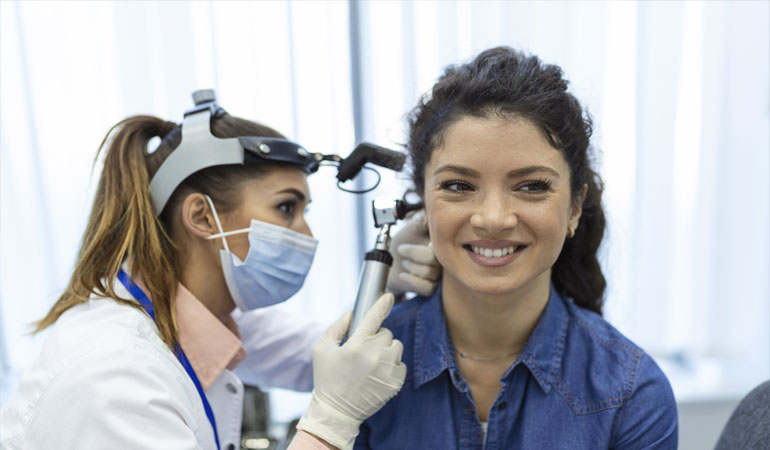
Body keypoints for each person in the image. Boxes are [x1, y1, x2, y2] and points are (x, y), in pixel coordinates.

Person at [0, 91, 438, 450]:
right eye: (286, 208)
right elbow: (338, 388)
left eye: (304, 210)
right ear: (202, 217)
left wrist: (384, 282)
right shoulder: (116, 373)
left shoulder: (189, 315)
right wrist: (331, 421)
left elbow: (326, 359)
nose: (306, 234)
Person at [355, 47, 678, 449]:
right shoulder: (358, 369)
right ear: (422, 201)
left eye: (532, 186)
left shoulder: (631, 393)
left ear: (575, 208)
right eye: (458, 185)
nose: (493, 219)